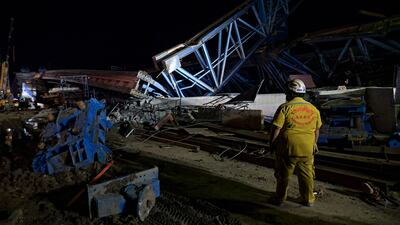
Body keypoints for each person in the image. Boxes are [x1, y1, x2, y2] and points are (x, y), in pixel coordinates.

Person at [270, 79, 322, 207]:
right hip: (308, 149)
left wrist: (272, 144)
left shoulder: (285, 107)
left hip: (288, 148)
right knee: (307, 175)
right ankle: (308, 199)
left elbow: (276, 128)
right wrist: (314, 144)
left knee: (284, 176)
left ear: (290, 93)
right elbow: (317, 130)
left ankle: (280, 199)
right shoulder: (314, 109)